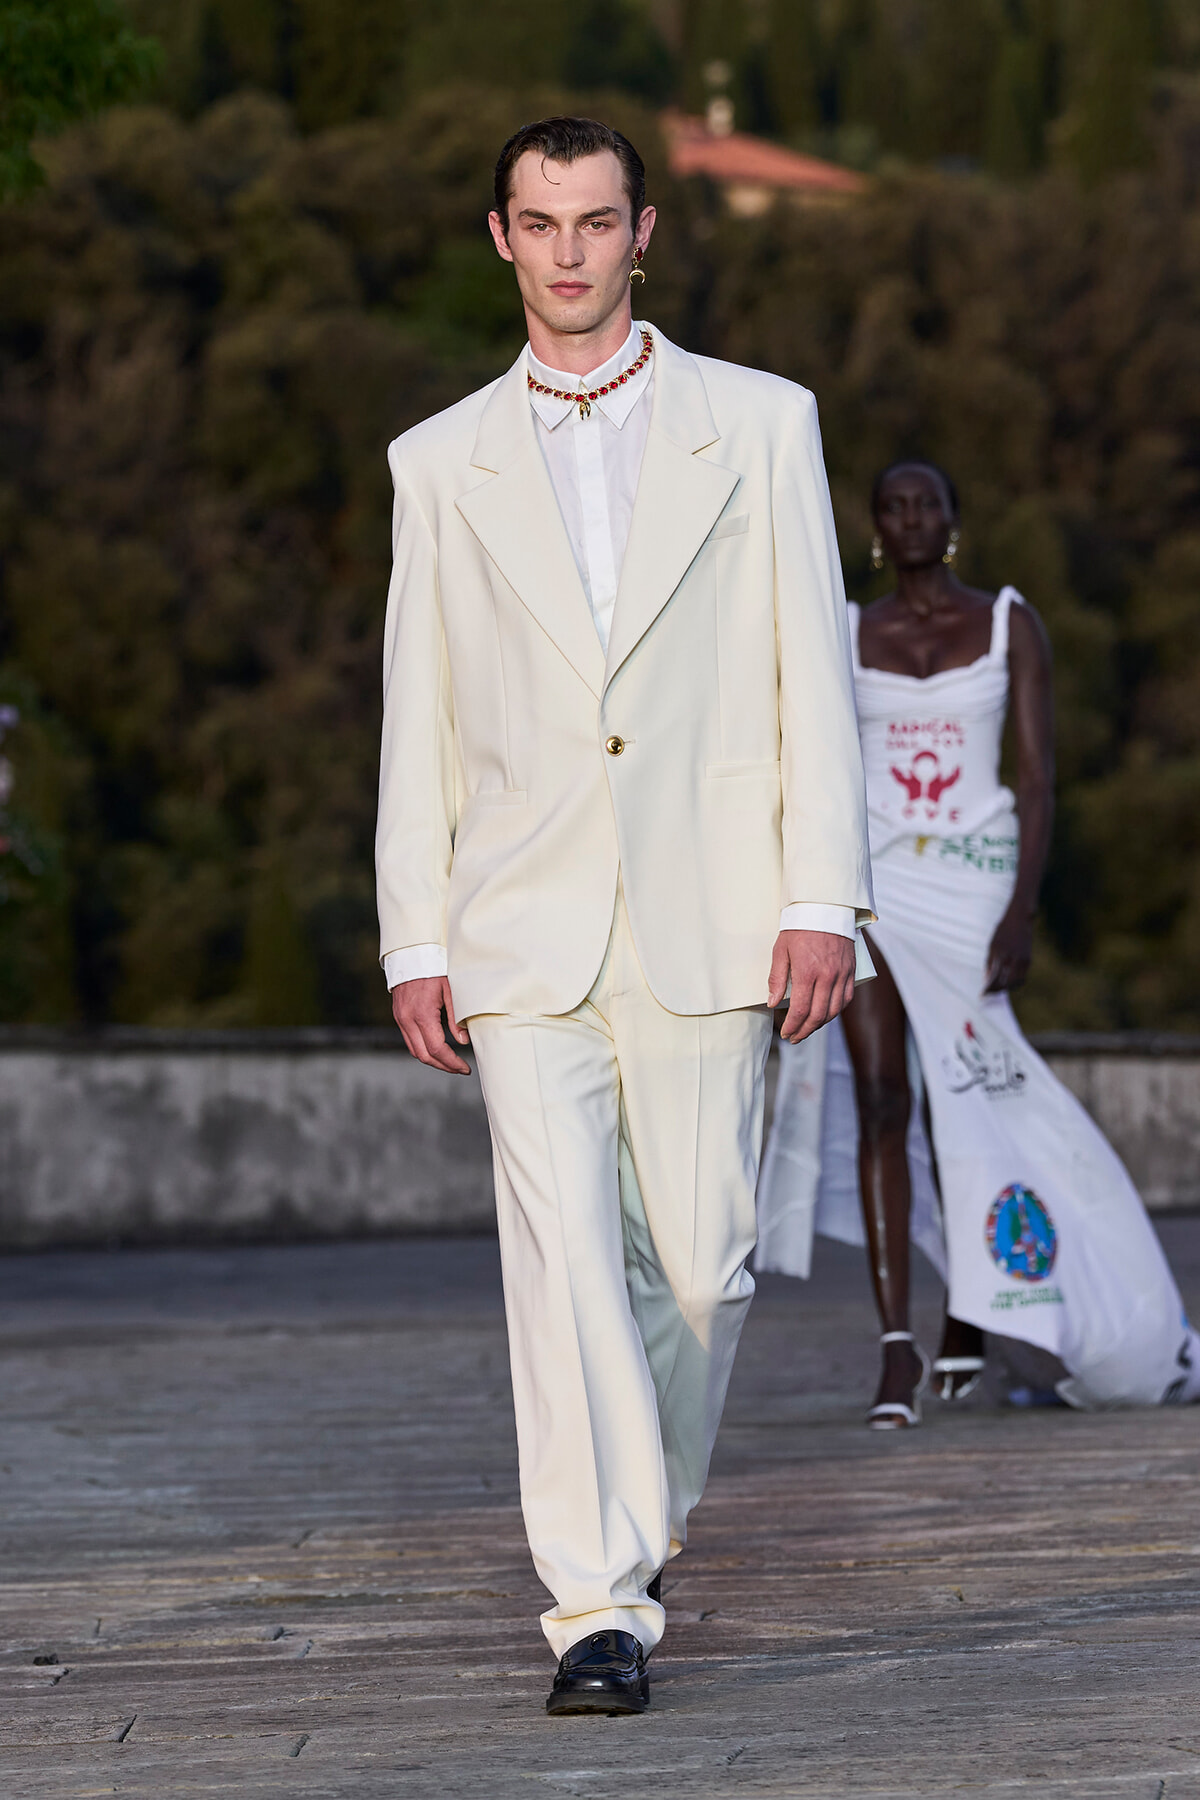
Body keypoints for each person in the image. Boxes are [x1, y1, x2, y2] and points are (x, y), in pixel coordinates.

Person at [375, 116, 874, 1714]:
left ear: (645, 231)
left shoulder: (764, 424)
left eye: (599, 220)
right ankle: (597, 1603)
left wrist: (821, 896)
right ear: (501, 237)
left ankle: (631, 1532)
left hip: (716, 908)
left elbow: (815, 665)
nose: (573, 249)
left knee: (708, 1265)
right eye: (543, 222)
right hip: (520, 923)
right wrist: (418, 936)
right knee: (564, 1264)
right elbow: (422, 715)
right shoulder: (436, 462)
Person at [757, 460, 1200, 1424]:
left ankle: (980, 1312)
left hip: (974, 883)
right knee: (881, 1095)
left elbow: (1037, 779)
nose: (911, 519)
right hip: (873, 881)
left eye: (928, 504)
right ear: (876, 527)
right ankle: (894, 1349)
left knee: (974, 1098)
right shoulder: (842, 628)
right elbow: (808, 765)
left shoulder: (1008, 622)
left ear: (952, 521)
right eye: (893, 506)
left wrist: (1021, 912)